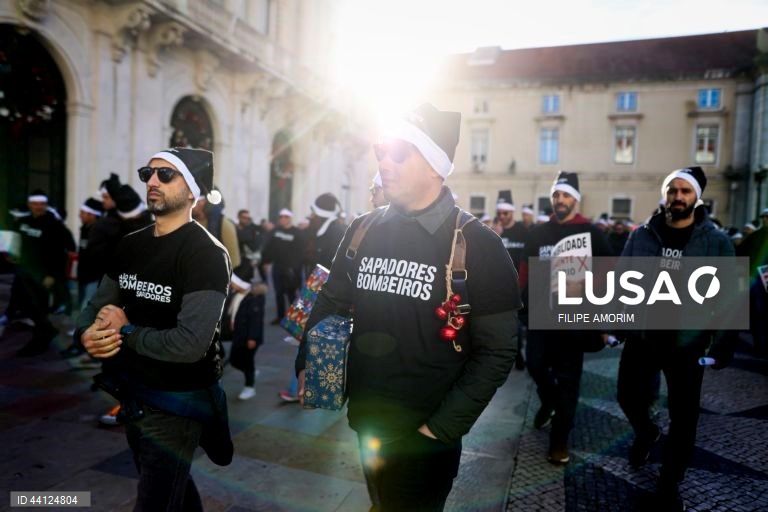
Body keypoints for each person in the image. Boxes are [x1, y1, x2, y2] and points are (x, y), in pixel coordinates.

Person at [296, 103, 521, 511]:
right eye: (381, 150)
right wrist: (308, 364)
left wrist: (438, 430)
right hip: (365, 420)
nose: (384, 161)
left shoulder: (480, 247)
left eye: (400, 152)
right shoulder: (363, 229)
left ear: (436, 165)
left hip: (427, 436)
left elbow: (498, 351)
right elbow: (331, 301)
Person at [77, 147, 233, 511]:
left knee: (154, 500)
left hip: (178, 400)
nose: (152, 182)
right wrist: (86, 334)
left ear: (192, 190)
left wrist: (126, 331)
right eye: (148, 173)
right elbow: (95, 306)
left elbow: (190, 344)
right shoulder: (131, 244)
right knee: (170, 489)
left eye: (167, 175)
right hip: (133, 392)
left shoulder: (207, 253)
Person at [616, 166, 735, 510]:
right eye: (673, 190)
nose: (678, 197)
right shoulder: (642, 234)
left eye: (685, 191)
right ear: (665, 195)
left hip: (687, 343)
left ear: (696, 198)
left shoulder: (716, 242)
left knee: (684, 416)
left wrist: (723, 342)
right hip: (643, 335)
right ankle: (646, 432)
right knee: (627, 396)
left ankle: (670, 480)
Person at [518, 171, 612, 464]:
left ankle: (559, 441)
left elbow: (609, 275)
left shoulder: (592, 234)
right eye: (556, 194)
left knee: (569, 381)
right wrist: (519, 301)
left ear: (576, 200)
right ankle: (548, 399)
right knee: (534, 365)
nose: (560, 200)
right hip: (540, 316)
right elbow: (524, 272)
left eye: (566, 195)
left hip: (575, 320)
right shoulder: (538, 234)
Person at [11, 190, 75, 356]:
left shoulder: (54, 225)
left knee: (39, 307)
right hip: (24, 272)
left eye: (42, 204)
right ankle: (46, 330)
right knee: (24, 305)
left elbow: (63, 250)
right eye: (35, 203)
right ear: (29, 204)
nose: (39, 207)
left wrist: (52, 275)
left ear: (46, 205)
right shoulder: (22, 222)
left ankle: (40, 340)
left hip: (43, 275)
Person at [60, 198, 104, 358]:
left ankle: (80, 345)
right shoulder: (85, 228)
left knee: (87, 312)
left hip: (95, 278)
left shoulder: (100, 231)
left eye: (83, 212)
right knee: (83, 311)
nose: (79, 215)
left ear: (93, 215)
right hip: (83, 277)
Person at [222, 262, 267, 400]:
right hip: (238, 333)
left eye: (233, 282)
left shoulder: (253, 298)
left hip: (248, 337)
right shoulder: (237, 293)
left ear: (241, 283)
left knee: (244, 361)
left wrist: (252, 338)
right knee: (236, 360)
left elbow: (256, 320)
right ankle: (251, 372)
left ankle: (250, 387)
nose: (231, 285)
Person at [261, 208, 305, 325]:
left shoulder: (297, 233)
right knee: (279, 293)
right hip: (278, 266)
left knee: (291, 293)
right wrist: (265, 261)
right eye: (281, 217)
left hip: (291, 268)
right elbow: (268, 247)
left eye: (286, 217)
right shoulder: (275, 231)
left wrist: (296, 268)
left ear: (290, 218)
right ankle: (280, 316)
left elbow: (301, 252)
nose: (283, 219)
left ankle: (293, 318)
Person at [192, 190, 241, 268]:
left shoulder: (224, 225)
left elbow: (234, 261)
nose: (191, 205)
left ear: (204, 201)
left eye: (195, 200)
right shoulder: (188, 222)